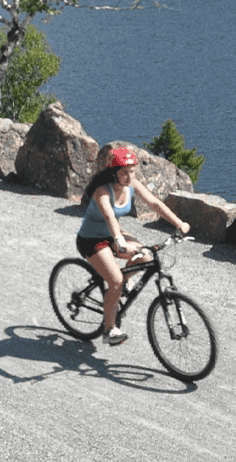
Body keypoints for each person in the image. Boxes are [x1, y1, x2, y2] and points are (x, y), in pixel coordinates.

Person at [77, 146, 190, 346]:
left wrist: (178, 223)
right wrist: (120, 242)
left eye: (132, 171)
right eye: (125, 172)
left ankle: (121, 285)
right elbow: (110, 217)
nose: (130, 176)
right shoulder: (102, 191)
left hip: (114, 236)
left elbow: (155, 203)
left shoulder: (131, 184)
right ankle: (109, 330)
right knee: (116, 280)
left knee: (145, 256)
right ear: (114, 172)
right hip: (92, 240)